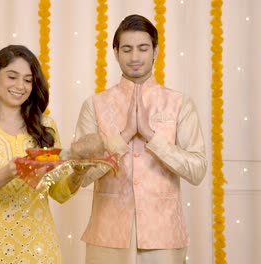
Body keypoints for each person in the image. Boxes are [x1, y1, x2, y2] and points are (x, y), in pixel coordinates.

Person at [72, 14, 208, 264]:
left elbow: (197, 170)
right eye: (127, 49)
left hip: (164, 235)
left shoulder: (179, 103)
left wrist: (150, 136)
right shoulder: (95, 105)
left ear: (155, 50)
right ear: (115, 52)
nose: (135, 57)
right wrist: (123, 137)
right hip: (107, 234)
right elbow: (80, 175)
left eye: (143, 48)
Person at [0, 45, 81, 263]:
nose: (20, 86)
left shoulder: (46, 127)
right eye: (12, 77)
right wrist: (9, 171)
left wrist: (79, 173)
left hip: (39, 246)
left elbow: (58, 192)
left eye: (27, 79)